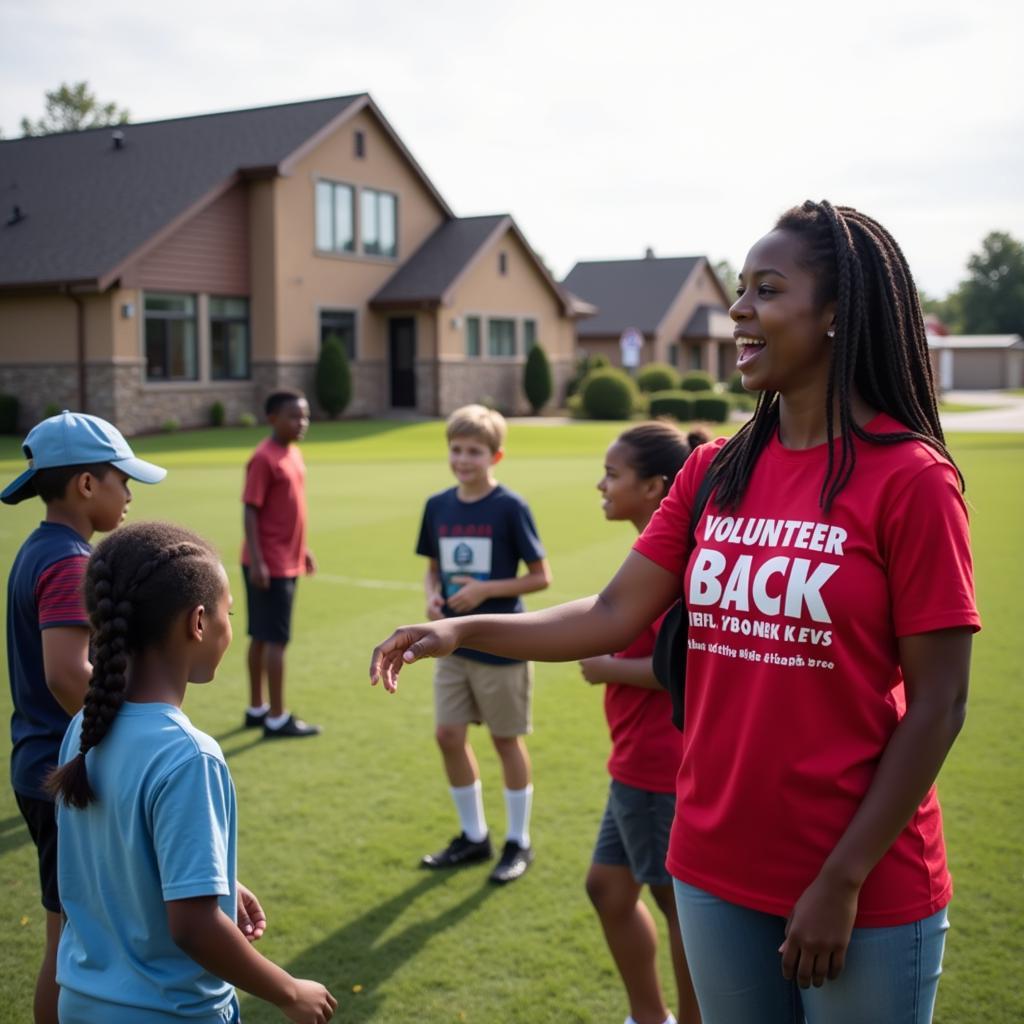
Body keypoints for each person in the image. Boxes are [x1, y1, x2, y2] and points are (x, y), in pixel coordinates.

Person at [372, 201, 979, 1023]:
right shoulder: (714, 472)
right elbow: (617, 610)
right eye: (739, 290)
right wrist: (460, 628)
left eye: (766, 290)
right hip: (714, 862)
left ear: (837, 313)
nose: (738, 311)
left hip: (860, 878)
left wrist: (841, 880)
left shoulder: (910, 480)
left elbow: (939, 703)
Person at [47, 521, 337, 1024]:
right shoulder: (190, 755)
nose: (230, 627)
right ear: (198, 622)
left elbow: (113, 861)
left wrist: (216, 879)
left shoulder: (82, 727)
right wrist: (289, 991)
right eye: (229, 614)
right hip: (168, 1012)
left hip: (82, 1001)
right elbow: (194, 927)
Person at [2, 410, 166, 1024]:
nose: (130, 494)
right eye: (122, 479)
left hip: (40, 761)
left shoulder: (41, 548)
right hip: (61, 768)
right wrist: (134, 737)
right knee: (67, 941)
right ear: (87, 485)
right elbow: (68, 673)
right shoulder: (71, 562)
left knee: (68, 932)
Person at [580, 421, 706, 1024]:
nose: (600, 484)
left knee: (676, 903)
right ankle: (649, 1017)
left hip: (660, 763)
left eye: (612, 475)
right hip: (635, 757)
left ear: (656, 486)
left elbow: (681, 668)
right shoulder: (655, 556)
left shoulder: (680, 568)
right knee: (608, 887)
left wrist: (604, 665)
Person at [415, 404, 551, 884]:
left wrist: (485, 590)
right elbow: (433, 564)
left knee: (503, 740)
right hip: (451, 644)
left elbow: (540, 578)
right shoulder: (437, 505)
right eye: (456, 449)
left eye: (474, 451)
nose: (463, 459)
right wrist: (432, 593)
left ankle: (519, 841)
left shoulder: (510, 507)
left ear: (497, 455)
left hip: (501, 642)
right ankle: (474, 837)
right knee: (448, 736)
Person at [242, 389, 320, 738]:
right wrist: (258, 562)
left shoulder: (293, 453)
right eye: (293, 416)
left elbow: (289, 510)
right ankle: (275, 717)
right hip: (270, 565)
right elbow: (250, 510)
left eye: (304, 416)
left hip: (287, 559)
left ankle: (256, 709)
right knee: (274, 640)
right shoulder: (264, 458)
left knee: (262, 636)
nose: (301, 422)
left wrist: (303, 549)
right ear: (272, 418)